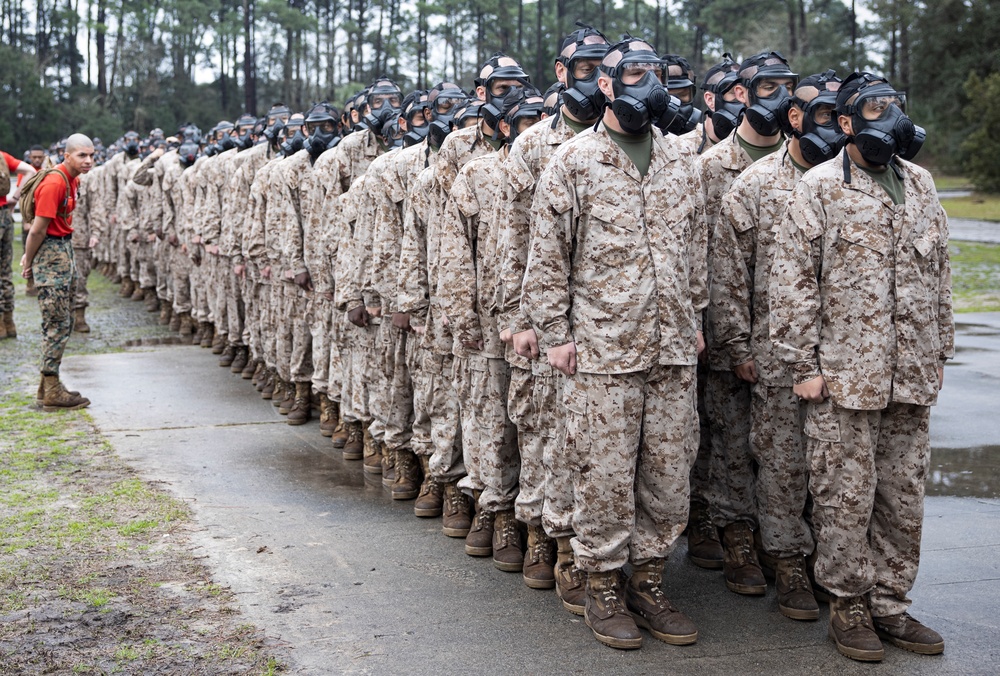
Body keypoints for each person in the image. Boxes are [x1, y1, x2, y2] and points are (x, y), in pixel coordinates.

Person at [522, 37, 705, 650]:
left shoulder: (681, 160)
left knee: (667, 472)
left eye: (652, 71)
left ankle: (649, 581)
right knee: (602, 472)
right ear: (603, 84)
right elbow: (546, 259)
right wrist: (556, 336)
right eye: (631, 72)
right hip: (601, 349)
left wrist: (696, 315)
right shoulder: (574, 160)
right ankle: (601, 582)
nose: (645, 81)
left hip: (672, 347)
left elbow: (695, 247)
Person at [769, 71, 951, 662]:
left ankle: (891, 604)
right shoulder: (819, 188)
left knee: (902, 496)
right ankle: (848, 606)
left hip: (910, 375)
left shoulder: (920, 184)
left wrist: (939, 349)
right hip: (843, 379)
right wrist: (803, 364)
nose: (887, 118)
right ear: (845, 123)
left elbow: (939, 271)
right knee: (844, 495)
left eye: (893, 106)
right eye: (873, 108)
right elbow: (791, 284)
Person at [710, 71, 846, 622]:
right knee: (782, 463)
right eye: (818, 113)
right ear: (794, 117)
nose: (832, 125)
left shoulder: (848, 180)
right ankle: (787, 562)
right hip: (775, 353)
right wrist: (737, 346)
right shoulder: (756, 183)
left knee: (834, 470)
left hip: (841, 355)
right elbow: (729, 274)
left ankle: (830, 564)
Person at [20, 133, 95, 410]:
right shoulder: (54, 182)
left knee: (64, 320)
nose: (88, 161)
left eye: (91, 155)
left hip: (63, 250)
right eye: (82, 155)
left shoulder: (72, 179)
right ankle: (51, 388)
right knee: (57, 323)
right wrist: (28, 260)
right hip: (50, 253)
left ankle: (47, 385)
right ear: (67, 155)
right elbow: (37, 229)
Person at [1, 147, 37, 337]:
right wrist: (14, 199)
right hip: (5, 217)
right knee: (5, 271)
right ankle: (9, 322)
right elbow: (30, 171)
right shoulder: (3, 157)